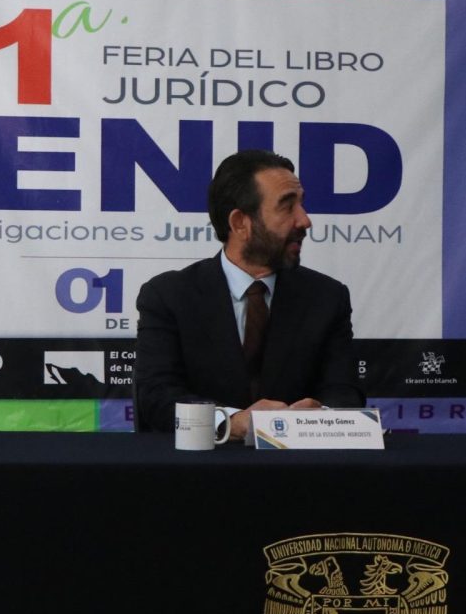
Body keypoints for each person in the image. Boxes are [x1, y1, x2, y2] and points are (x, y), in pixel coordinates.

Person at [134, 150, 364, 439]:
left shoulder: (327, 297)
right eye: (287, 206)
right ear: (240, 223)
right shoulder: (168, 296)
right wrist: (232, 422)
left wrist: (320, 417)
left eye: (301, 204)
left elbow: (345, 393)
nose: (304, 220)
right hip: (200, 462)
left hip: (297, 463)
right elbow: (157, 397)